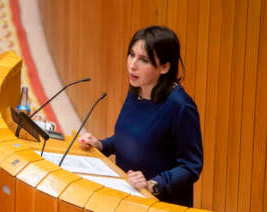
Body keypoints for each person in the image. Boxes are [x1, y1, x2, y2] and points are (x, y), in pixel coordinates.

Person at [78, 25, 203, 207]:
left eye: (143, 60)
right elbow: (132, 138)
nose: (132, 65)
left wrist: (153, 185)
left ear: (165, 67)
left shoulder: (181, 106)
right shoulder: (137, 89)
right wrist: (101, 145)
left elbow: (191, 166)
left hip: (160, 204)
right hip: (127, 196)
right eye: (131, 55)